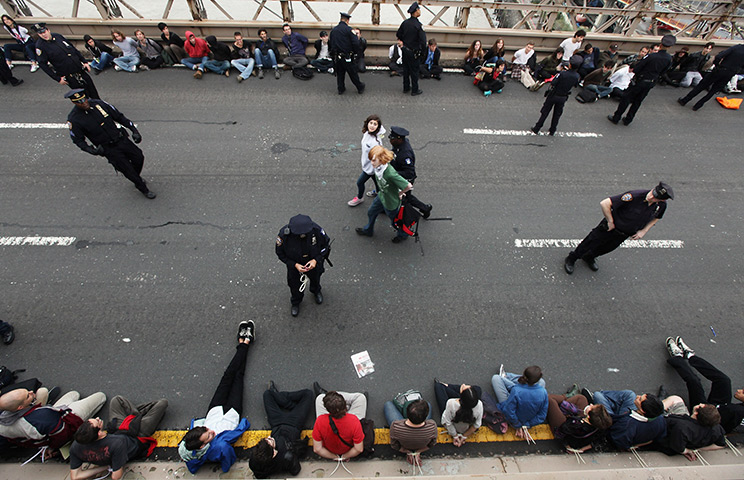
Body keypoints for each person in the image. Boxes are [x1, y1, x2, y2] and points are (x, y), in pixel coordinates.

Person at [179, 321, 255, 474]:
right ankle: (244, 342)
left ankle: (245, 343)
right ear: (203, 446)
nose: (211, 431)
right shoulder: (218, 448)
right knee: (238, 377)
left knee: (228, 376)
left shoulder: (187, 447)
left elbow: (192, 465)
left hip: (215, 410)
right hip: (231, 414)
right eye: (209, 436)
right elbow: (228, 458)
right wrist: (226, 470)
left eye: (206, 429)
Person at [564, 182, 673, 274]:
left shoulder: (661, 206)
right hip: (610, 227)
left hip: (624, 234)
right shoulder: (634, 196)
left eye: (655, 198)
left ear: (661, 200)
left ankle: (589, 257)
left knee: (607, 248)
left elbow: (657, 217)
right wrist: (610, 221)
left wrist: (644, 231)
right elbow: (605, 203)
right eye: (652, 193)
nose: (651, 197)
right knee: (591, 242)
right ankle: (572, 258)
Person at [65, 89, 156, 199]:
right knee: (127, 169)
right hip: (108, 148)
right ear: (74, 103)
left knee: (138, 157)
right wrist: (92, 150)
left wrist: (134, 130)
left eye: (84, 99)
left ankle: (134, 176)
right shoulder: (74, 119)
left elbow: (119, 117)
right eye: (79, 102)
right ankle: (141, 187)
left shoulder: (99, 104)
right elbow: (78, 140)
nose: (84, 103)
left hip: (121, 139)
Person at [70, 394, 167, 479]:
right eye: (98, 422)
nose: (98, 418)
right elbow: (116, 476)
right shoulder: (116, 444)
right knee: (162, 404)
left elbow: (75, 476)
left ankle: (137, 414)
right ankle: (138, 414)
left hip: (117, 431)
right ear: (99, 433)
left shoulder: (76, 446)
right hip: (136, 436)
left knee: (116, 400)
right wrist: (111, 465)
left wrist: (102, 467)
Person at [664, 336, 744, 434]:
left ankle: (677, 358)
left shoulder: (736, 412)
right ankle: (690, 356)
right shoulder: (734, 410)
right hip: (721, 407)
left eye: (743, 392)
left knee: (695, 383)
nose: (739, 390)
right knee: (724, 380)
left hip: (706, 417)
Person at [0, 388, 105, 454]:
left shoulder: (3, 423)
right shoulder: (42, 418)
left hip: (49, 416)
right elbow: (62, 434)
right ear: (20, 407)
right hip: (65, 418)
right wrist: (53, 447)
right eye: (28, 396)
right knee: (100, 396)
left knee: (73, 394)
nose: (31, 392)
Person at [249, 383, 313, 478]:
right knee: (308, 394)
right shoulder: (286, 457)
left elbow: (260, 475)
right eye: (270, 441)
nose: (269, 437)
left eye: (267, 439)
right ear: (274, 454)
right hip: (294, 423)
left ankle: (291, 405)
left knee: (267, 394)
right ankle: (290, 405)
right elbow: (295, 470)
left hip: (276, 422)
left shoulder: (254, 463)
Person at [608, 34, 674, 126]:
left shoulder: (651, 56)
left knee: (626, 98)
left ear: (661, 44)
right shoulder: (669, 59)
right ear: (670, 47)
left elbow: (637, 68)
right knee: (638, 101)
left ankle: (616, 117)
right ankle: (628, 119)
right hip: (651, 82)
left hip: (640, 80)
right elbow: (663, 72)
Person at [275, 214, 330, 317]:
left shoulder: (317, 230)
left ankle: (316, 291)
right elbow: (280, 253)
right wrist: (294, 265)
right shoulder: (284, 235)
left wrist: (315, 260)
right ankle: (296, 302)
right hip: (295, 266)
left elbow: (326, 246)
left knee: (316, 278)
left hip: (313, 264)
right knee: (294, 285)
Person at [355, 145, 413, 243]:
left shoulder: (390, 173)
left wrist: (400, 193)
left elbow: (408, 185)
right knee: (371, 212)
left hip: (391, 202)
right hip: (382, 196)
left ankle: (403, 235)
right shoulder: (378, 168)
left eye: (374, 160)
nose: (371, 162)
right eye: (371, 160)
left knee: (395, 222)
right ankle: (368, 230)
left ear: (381, 160)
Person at [33, 23, 99, 99]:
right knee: (83, 97)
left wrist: (84, 61)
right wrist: (57, 79)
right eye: (40, 33)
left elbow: (73, 49)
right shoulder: (40, 46)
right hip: (69, 76)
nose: (44, 35)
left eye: (44, 32)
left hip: (80, 70)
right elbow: (42, 64)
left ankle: (101, 106)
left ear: (48, 30)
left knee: (93, 91)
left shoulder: (58, 36)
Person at [678, 43, 744, 111]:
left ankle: (685, 100)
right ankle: (698, 105)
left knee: (701, 85)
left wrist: (717, 65)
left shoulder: (736, 48)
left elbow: (719, 56)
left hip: (721, 69)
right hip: (729, 73)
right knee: (713, 91)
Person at [655, 398, 725, 461]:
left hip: (664, 431)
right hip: (683, 427)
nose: (700, 403)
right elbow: (720, 445)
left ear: (696, 413)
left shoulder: (682, 427)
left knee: (675, 399)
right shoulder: (716, 429)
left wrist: (686, 451)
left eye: (700, 406)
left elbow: (678, 448)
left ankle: (657, 405)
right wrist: (696, 449)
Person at [530, 54, 581, 136]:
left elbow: (553, 82)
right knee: (557, 114)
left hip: (554, 94)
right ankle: (553, 129)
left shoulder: (562, 74)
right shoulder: (576, 76)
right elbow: (575, 85)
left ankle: (537, 127)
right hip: (563, 96)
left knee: (545, 111)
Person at [389, 126, 432, 219]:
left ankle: (425, 208)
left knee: (407, 198)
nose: (390, 140)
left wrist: (393, 174)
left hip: (405, 179)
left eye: (392, 139)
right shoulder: (399, 145)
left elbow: (409, 173)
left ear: (399, 139)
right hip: (397, 174)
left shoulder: (405, 155)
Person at [491, 366, 548, 436]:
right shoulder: (543, 392)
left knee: (496, 378)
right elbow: (542, 415)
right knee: (542, 382)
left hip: (517, 396)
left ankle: (506, 376)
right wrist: (527, 424)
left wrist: (517, 424)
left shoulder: (516, 390)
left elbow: (508, 410)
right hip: (526, 417)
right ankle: (508, 377)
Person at [546, 392, 612, 452]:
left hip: (562, 424)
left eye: (591, 407)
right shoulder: (600, 426)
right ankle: (561, 400)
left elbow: (561, 433)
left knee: (550, 400)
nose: (591, 404)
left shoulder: (575, 424)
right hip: (575, 420)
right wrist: (582, 449)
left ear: (588, 416)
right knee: (581, 398)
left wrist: (567, 446)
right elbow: (597, 441)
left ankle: (562, 398)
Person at [312, 388, 366, 460]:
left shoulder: (320, 421)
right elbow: (359, 449)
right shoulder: (354, 420)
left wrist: (335, 457)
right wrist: (345, 456)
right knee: (361, 398)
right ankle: (338, 400)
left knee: (319, 398)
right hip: (348, 447)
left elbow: (317, 449)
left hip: (330, 449)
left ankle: (329, 398)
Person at [386, 398, 437, 465]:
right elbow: (432, 444)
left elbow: (394, 445)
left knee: (388, 404)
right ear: (425, 417)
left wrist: (408, 452)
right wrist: (418, 452)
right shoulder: (432, 425)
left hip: (405, 443)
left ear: (407, 414)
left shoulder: (396, 426)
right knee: (428, 405)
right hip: (421, 445)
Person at [348, 114, 385, 207]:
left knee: (360, 182)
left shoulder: (376, 142)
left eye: (375, 124)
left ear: (378, 127)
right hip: (367, 164)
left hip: (371, 167)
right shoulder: (367, 133)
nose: (372, 126)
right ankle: (378, 193)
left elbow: (378, 156)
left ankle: (359, 198)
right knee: (375, 180)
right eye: (371, 123)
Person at [434, 380, 483, 447]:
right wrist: (464, 436)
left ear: (460, 397)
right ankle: (451, 387)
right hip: (466, 427)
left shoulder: (451, 403)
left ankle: (448, 387)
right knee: (477, 389)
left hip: (453, 423)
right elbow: (476, 425)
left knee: (438, 386)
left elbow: (448, 422)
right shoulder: (479, 404)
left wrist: (455, 436)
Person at [329, 12, 365, 95]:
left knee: (340, 74)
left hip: (337, 56)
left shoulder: (334, 30)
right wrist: (355, 52)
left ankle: (340, 88)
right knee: (352, 73)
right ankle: (360, 87)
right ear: (347, 20)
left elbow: (331, 44)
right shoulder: (349, 30)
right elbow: (355, 43)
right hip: (347, 56)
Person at [397, 2, 426, 96]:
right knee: (414, 71)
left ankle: (406, 87)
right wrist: (422, 53)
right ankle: (415, 89)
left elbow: (399, 34)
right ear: (416, 11)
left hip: (405, 50)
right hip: (414, 52)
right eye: (418, 9)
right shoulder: (418, 25)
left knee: (406, 70)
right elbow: (423, 41)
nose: (419, 11)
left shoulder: (405, 23)